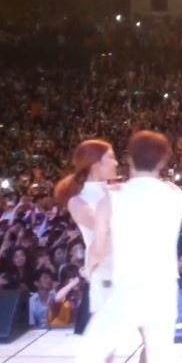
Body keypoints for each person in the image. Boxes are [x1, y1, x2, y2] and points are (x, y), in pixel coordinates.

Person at [74, 131, 182, 363]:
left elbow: (98, 249)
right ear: (162, 161)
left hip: (126, 288)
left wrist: (88, 270)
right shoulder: (176, 195)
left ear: (129, 159)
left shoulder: (113, 197)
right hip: (164, 289)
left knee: (89, 360)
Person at [54, 139, 119, 334]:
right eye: (111, 158)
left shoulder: (117, 191)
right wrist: (90, 267)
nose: (116, 163)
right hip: (106, 275)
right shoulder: (79, 201)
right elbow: (106, 235)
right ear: (95, 163)